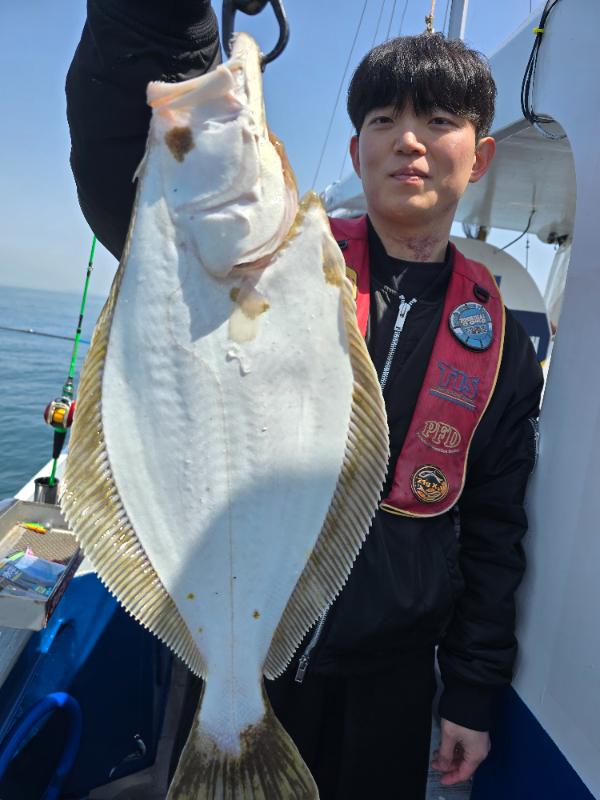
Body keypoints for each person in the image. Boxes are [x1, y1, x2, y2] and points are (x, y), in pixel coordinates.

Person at [67, 5, 543, 799]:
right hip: (236, 655)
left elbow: (495, 529)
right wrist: (166, 21)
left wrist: (470, 689)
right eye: (384, 120)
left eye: (439, 121)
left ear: (481, 154)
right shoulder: (281, 259)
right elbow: (127, 152)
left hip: (391, 681)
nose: (410, 140)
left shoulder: (501, 348)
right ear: (357, 152)